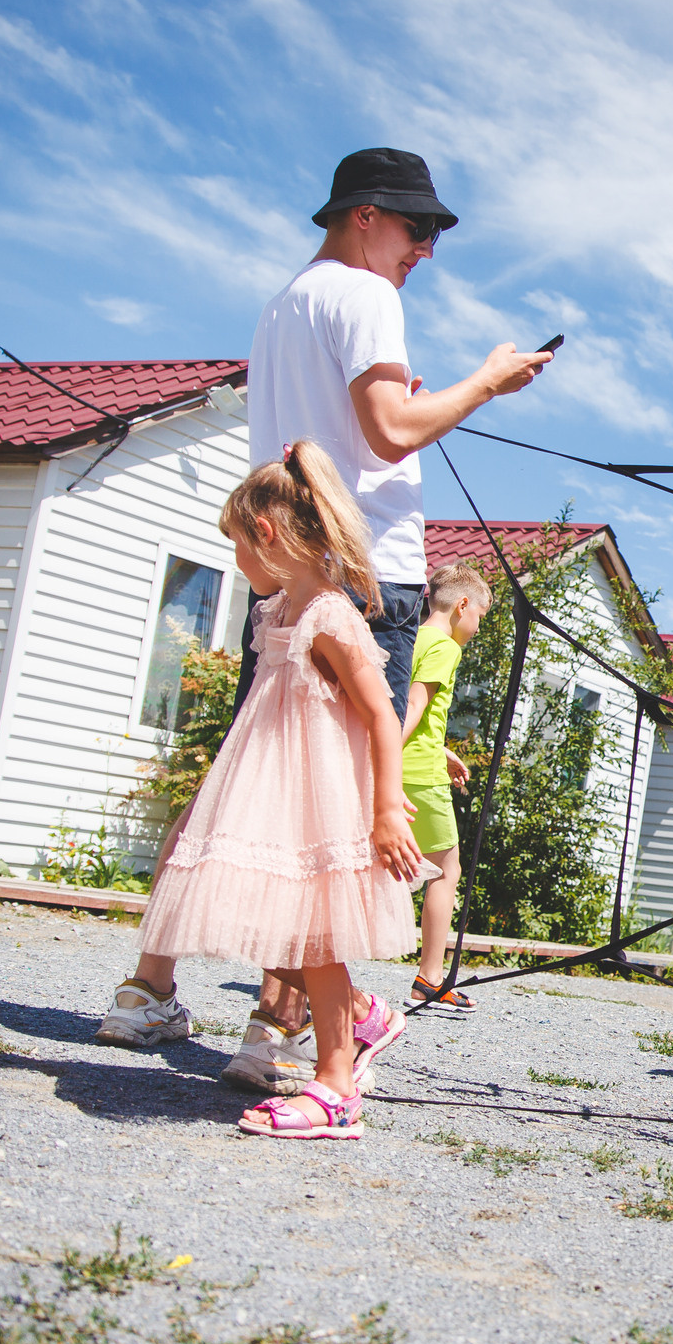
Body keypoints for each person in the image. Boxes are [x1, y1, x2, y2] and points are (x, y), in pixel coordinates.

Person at [97, 148, 551, 1083]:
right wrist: (487, 382)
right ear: (365, 216)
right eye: (419, 228)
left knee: (250, 781)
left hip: (287, 576)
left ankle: (149, 988)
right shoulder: (366, 296)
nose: (426, 248)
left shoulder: (283, 307)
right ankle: (279, 1030)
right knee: (327, 811)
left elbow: (350, 427)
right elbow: (389, 429)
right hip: (362, 571)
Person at [136, 441, 424, 1138]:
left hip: (312, 798)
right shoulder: (278, 614)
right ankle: (362, 1015)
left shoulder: (331, 616)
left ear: (266, 534)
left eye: (237, 546)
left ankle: (335, 1089)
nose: (237, 564)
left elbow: (382, 716)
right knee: (258, 928)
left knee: (313, 938)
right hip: (264, 793)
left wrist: (385, 807)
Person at [401, 561, 490, 1010]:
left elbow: (410, 710)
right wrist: (385, 761)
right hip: (418, 777)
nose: (476, 628)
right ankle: (430, 977)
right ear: (461, 605)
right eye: (479, 617)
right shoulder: (445, 647)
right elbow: (416, 703)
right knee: (445, 870)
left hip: (413, 762)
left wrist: (444, 751)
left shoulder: (412, 637)